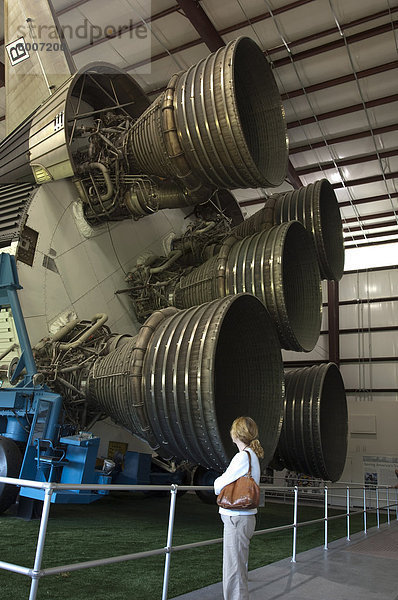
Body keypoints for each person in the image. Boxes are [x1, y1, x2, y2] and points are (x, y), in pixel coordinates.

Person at [214, 416, 264, 600]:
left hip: (236, 519)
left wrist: (218, 480)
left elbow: (218, 485)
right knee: (238, 566)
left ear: (236, 433)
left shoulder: (242, 457)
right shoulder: (252, 456)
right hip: (244, 518)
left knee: (233, 570)